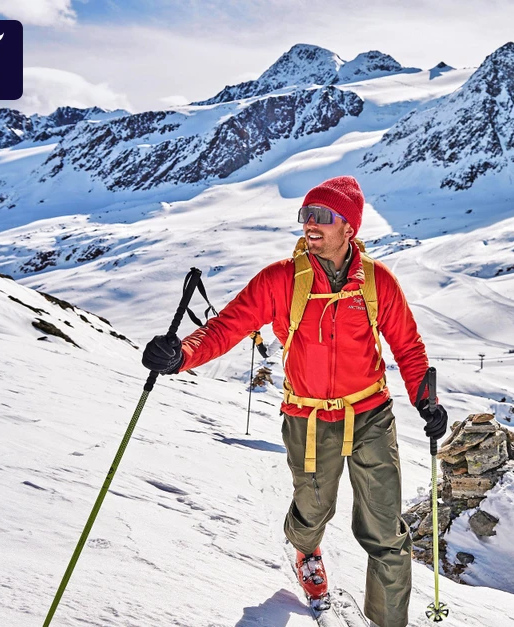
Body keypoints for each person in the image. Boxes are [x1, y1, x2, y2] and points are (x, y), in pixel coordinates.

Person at [141, 175, 447, 627]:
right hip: (308, 418)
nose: (311, 225)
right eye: (306, 215)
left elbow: (408, 347)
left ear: (350, 227)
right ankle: (306, 549)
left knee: (385, 531)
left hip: (371, 415)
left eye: (323, 216)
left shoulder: (377, 283)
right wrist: (181, 355)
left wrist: (426, 400)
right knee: (312, 510)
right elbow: (226, 327)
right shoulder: (281, 280)